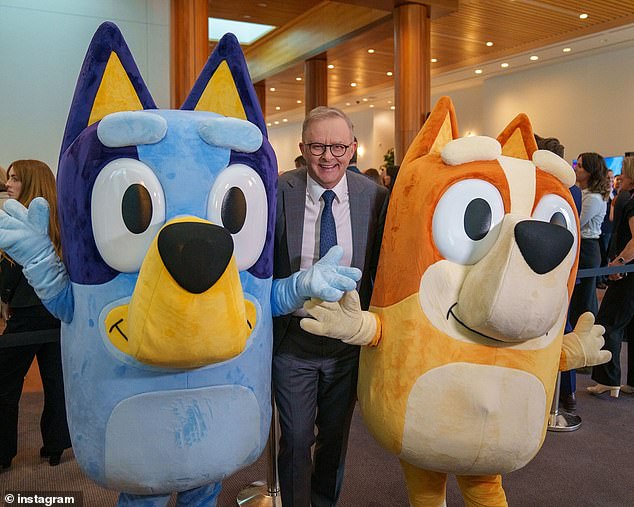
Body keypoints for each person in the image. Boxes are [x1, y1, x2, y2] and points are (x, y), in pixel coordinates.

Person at [272, 106, 389, 506]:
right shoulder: (277, 192)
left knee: (335, 440)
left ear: (353, 148)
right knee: (297, 438)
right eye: (319, 146)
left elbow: (379, 269)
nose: (328, 157)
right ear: (303, 148)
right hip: (293, 339)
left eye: (338, 146)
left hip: (346, 347)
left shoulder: (374, 197)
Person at [0, 160, 71, 470]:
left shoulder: (24, 225)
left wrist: (4, 299)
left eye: (15, 179)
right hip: (58, 316)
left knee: (4, 385)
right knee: (57, 384)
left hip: (27, 315)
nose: (8, 184)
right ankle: (55, 447)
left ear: (30, 183)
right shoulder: (63, 224)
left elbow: (13, 274)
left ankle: (2, 455)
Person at [588, 157, 634, 396]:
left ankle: (609, 379)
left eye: (624, 175)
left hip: (628, 275)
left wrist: (619, 262)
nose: (620, 179)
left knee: (608, 322)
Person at [568, 153, 610, 327]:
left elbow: (577, 222)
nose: (576, 168)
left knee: (584, 297)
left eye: (581, 166)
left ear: (590, 172)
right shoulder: (584, 193)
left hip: (588, 247)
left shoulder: (592, 198)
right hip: (584, 246)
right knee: (579, 294)